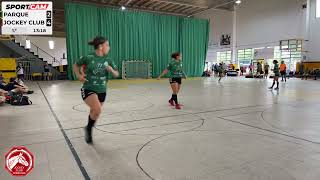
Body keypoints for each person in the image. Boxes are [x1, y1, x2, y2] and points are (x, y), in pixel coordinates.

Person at [73, 36, 119, 144]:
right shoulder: (88, 57)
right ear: (100, 46)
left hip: (102, 90)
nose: (109, 47)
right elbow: (76, 65)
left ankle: (88, 128)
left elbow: (117, 74)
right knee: (97, 109)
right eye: (107, 45)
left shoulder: (109, 60)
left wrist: (111, 70)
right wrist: (79, 75)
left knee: (94, 113)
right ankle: (89, 129)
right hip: (88, 88)